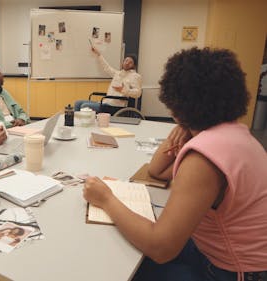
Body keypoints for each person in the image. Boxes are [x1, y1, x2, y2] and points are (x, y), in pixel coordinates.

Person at [83, 47, 267, 281]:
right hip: (227, 255)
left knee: (125, 266)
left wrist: (106, 199)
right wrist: (183, 127)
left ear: (175, 102)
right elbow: (157, 171)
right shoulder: (233, 134)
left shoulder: (204, 158)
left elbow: (161, 248)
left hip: (233, 271)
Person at [74, 47, 142, 115]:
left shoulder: (135, 76)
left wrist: (124, 90)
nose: (127, 63)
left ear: (134, 66)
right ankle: (75, 123)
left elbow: (138, 93)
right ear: (123, 62)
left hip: (115, 106)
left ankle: (82, 123)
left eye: (130, 62)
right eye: (126, 61)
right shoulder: (118, 73)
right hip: (106, 102)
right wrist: (98, 54)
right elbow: (106, 67)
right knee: (78, 103)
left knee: (84, 106)